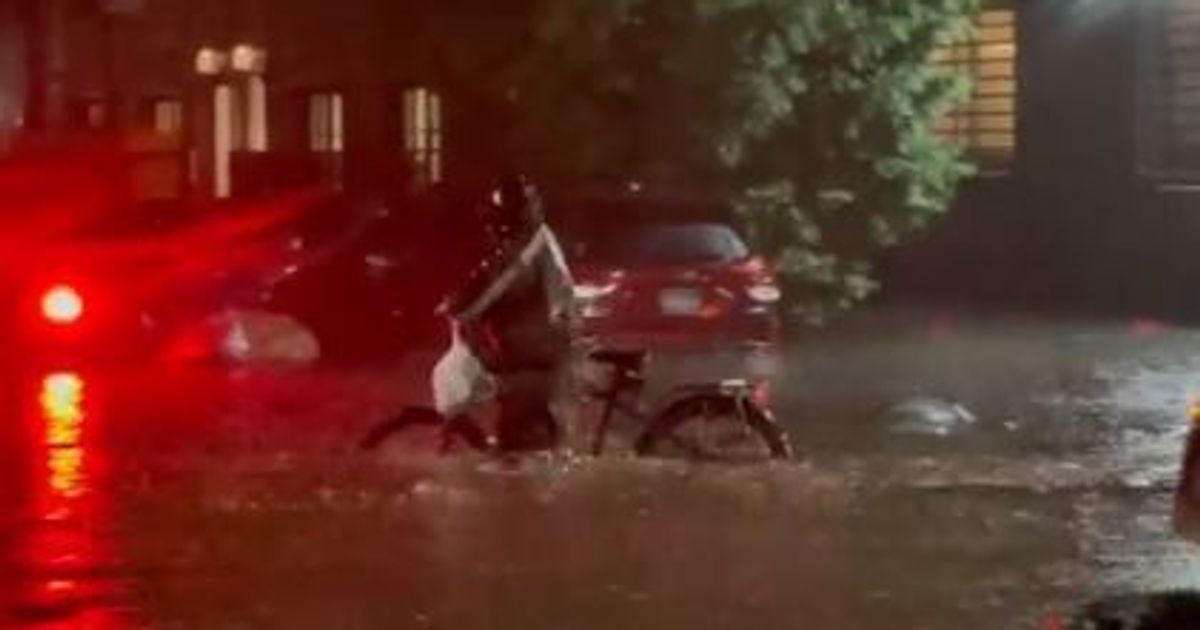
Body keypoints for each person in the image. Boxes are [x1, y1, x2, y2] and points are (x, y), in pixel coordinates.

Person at [436, 175, 576, 451]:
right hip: (541, 345)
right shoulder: (535, 239)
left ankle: (528, 466)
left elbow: (496, 284)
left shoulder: (527, 247)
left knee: (515, 444)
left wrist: (457, 307)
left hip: (536, 350)